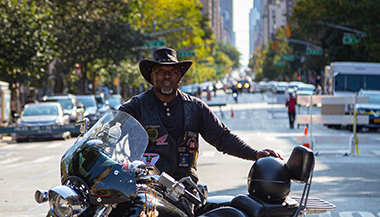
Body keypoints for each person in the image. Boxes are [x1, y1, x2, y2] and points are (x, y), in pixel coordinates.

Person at [119, 47, 281, 183]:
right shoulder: (136, 106)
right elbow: (111, 132)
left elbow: (222, 138)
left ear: (180, 77)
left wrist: (255, 154)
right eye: (160, 71)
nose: (167, 76)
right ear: (152, 77)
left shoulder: (195, 107)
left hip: (185, 188)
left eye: (173, 71)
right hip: (145, 185)